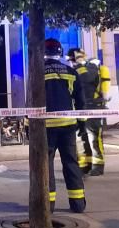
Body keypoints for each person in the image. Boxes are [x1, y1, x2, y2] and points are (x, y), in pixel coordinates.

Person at [44, 38, 86, 213]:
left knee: (46, 165)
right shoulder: (70, 72)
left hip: (46, 127)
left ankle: (48, 205)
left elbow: (30, 101)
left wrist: (27, 125)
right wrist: (82, 124)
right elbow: (80, 100)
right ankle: (77, 203)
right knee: (70, 163)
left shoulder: (38, 73)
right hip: (68, 125)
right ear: (60, 52)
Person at [67, 47, 111, 176]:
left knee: (94, 137)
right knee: (83, 137)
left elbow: (86, 78)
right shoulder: (78, 69)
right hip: (81, 108)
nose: (71, 63)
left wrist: (79, 63)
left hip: (93, 107)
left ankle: (98, 166)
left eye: (72, 60)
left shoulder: (91, 68)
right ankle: (86, 165)